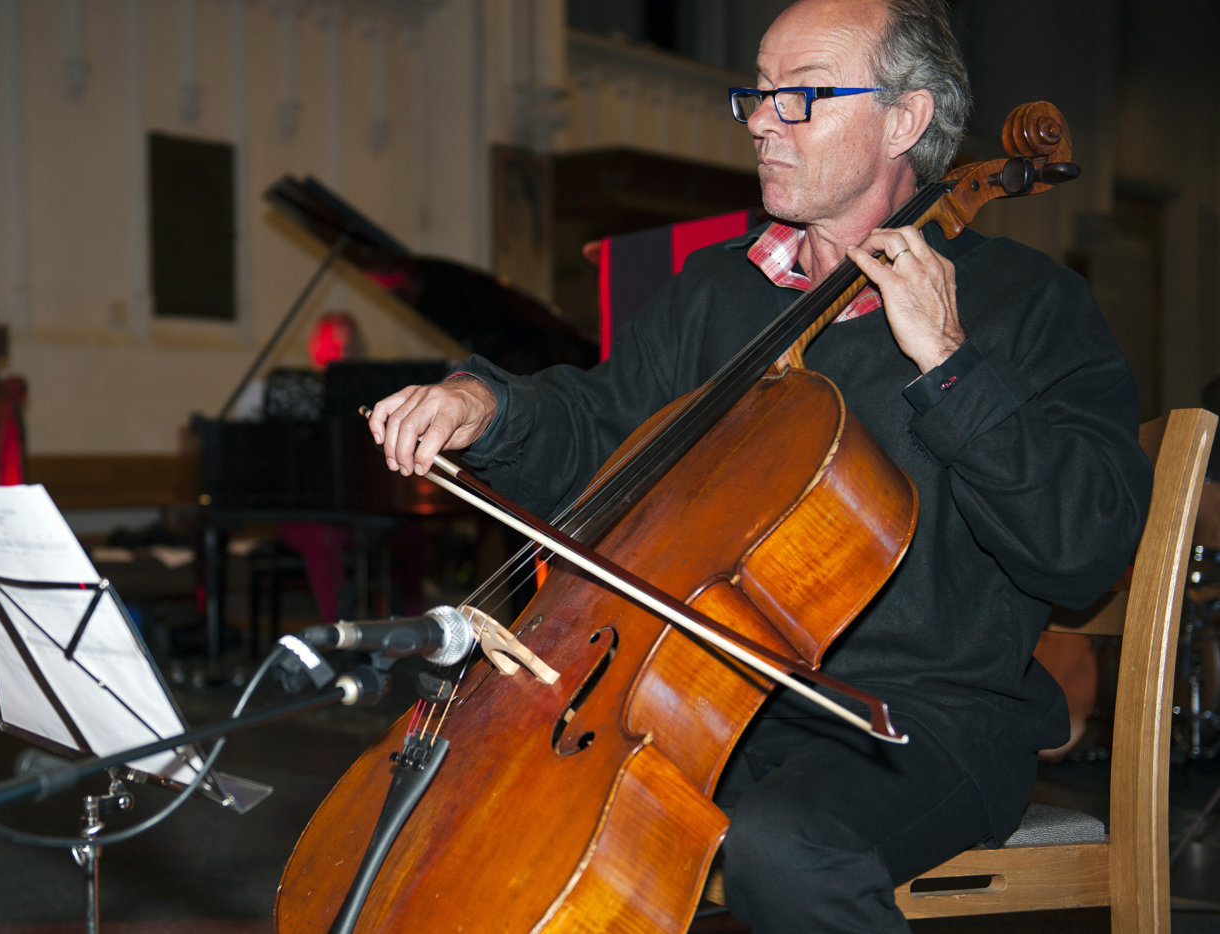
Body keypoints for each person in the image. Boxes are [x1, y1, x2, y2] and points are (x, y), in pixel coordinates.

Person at [368, 0, 1153, 929]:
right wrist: (488, 406)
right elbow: (604, 429)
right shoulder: (715, 289)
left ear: (905, 119)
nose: (760, 122)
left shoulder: (1030, 308)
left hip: (921, 723)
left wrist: (950, 365)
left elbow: (1084, 548)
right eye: (757, 94)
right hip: (703, 695)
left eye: (801, 98)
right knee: (470, 802)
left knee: (783, 842)